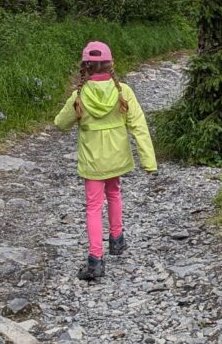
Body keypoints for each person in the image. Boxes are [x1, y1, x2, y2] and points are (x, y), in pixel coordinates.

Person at [54, 41, 157, 281]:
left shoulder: (79, 95)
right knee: (114, 194)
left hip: (93, 162)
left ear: (85, 67)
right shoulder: (123, 92)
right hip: (117, 158)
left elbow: (60, 123)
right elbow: (139, 126)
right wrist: (148, 162)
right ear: (111, 65)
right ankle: (117, 240)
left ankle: (95, 261)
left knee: (93, 207)